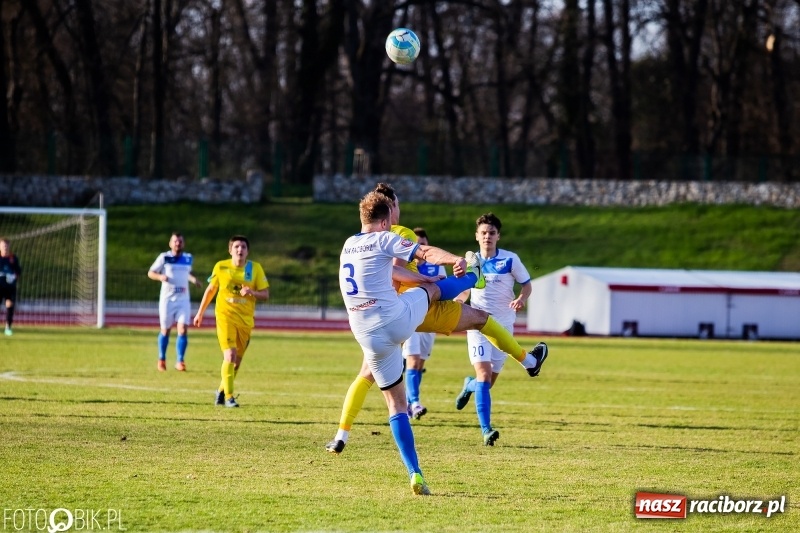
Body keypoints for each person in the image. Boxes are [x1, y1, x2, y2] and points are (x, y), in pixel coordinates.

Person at [326, 182, 546, 455]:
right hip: (411, 311)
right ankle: (527, 358)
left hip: (374, 320)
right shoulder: (397, 233)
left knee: (366, 375)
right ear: (391, 208)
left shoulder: (353, 242)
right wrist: (432, 275)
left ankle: (341, 435)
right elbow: (416, 260)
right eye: (398, 204)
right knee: (477, 316)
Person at [338, 190, 481, 495]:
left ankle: (415, 473)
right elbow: (426, 254)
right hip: (395, 321)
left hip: (367, 336)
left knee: (396, 405)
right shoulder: (384, 238)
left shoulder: (348, 245)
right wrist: (456, 259)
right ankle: (474, 276)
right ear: (386, 219)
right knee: (430, 291)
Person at [455, 212, 549, 446]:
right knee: (484, 375)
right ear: (476, 236)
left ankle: (469, 385)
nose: (487, 236)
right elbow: (466, 289)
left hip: (504, 327)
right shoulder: (470, 262)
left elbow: (527, 285)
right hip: (477, 324)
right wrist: (458, 300)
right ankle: (486, 430)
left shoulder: (510, 260)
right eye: (483, 233)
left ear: (498, 236)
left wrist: (521, 299)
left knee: (487, 382)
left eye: (492, 233)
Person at [193, 235, 269, 408]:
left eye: (243, 247)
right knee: (230, 355)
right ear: (230, 250)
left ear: (248, 251)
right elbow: (211, 290)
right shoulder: (221, 266)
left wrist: (252, 292)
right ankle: (229, 397)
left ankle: (220, 391)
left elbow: (265, 294)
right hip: (225, 317)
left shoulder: (255, 268)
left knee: (236, 363)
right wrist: (200, 313)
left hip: (245, 322)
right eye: (236, 247)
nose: (240, 250)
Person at [402, 227, 446, 420]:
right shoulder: (404, 265)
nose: (420, 248)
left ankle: (410, 402)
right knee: (412, 360)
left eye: (424, 244)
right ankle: (414, 402)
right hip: (411, 318)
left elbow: (444, 289)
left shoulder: (437, 266)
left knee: (419, 363)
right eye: (416, 244)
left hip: (430, 319)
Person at [148, 232, 203, 371]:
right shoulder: (164, 257)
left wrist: (194, 280)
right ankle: (162, 359)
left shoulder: (188, 258)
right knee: (165, 330)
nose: (178, 243)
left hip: (183, 299)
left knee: (183, 329)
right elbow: (151, 272)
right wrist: (160, 277)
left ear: (183, 243)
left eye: (180, 241)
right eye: (175, 241)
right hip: (167, 300)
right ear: (170, 243)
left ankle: (180, 360)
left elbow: (186, 273)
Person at [0, 238, 22, 336]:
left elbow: (18, 271)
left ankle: (8, 328)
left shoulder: (13, 258)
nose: (5, 247)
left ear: (9, 246)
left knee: (10, 306)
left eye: (6, 245)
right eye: (3, 245)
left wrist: (13, 276)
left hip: (10, 287)